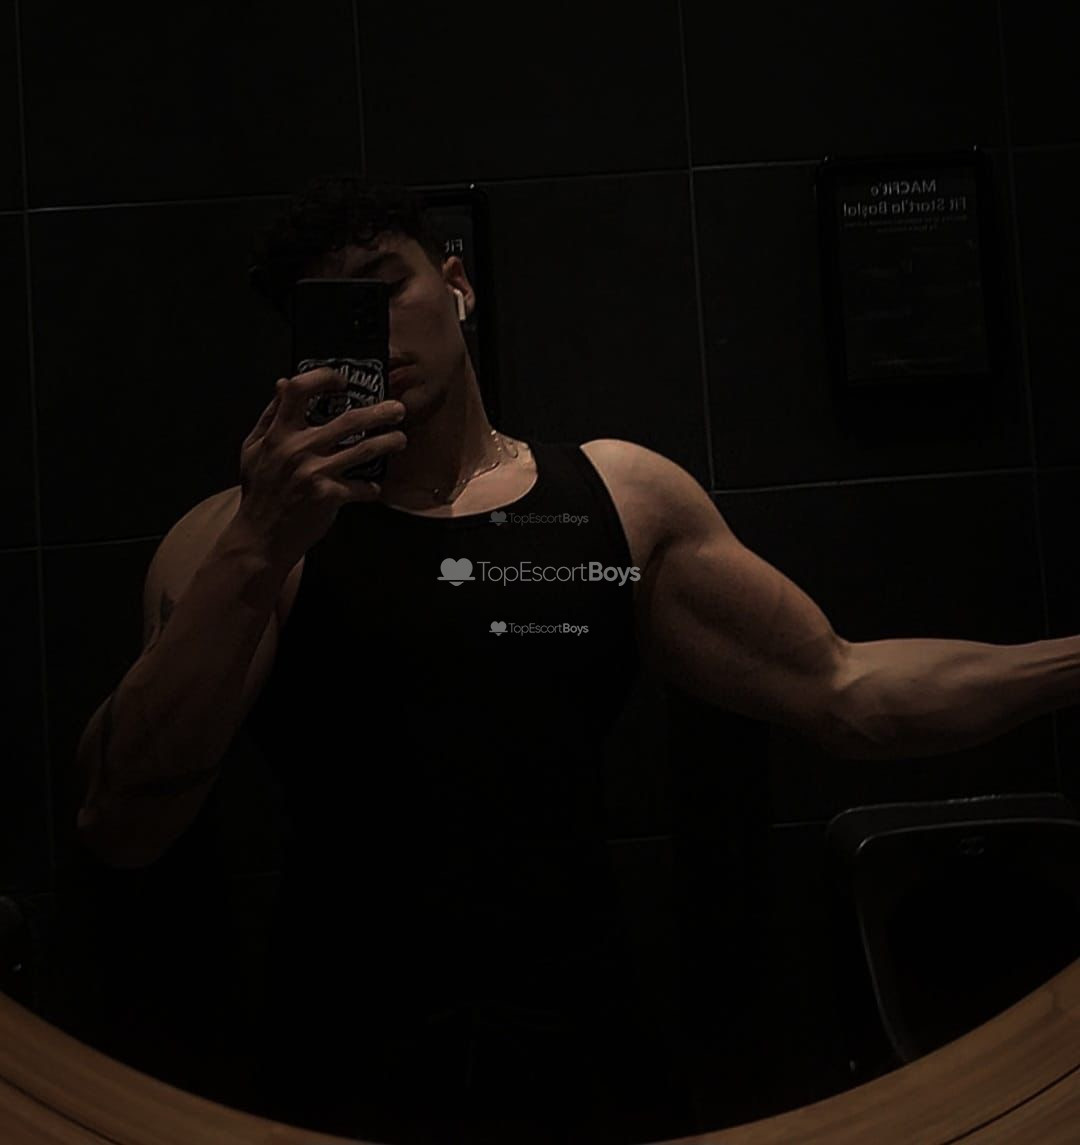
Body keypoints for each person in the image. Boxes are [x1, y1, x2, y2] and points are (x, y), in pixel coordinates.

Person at [75, 175, 1080, 1143]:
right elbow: (122, 821)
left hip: (584, 1050)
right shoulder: (240, 543)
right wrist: (259, 544)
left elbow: (846, 687)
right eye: (335, 311)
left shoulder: (617, 501)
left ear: (457, 284)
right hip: (342, 1056)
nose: (376, 328)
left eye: (389, 285)